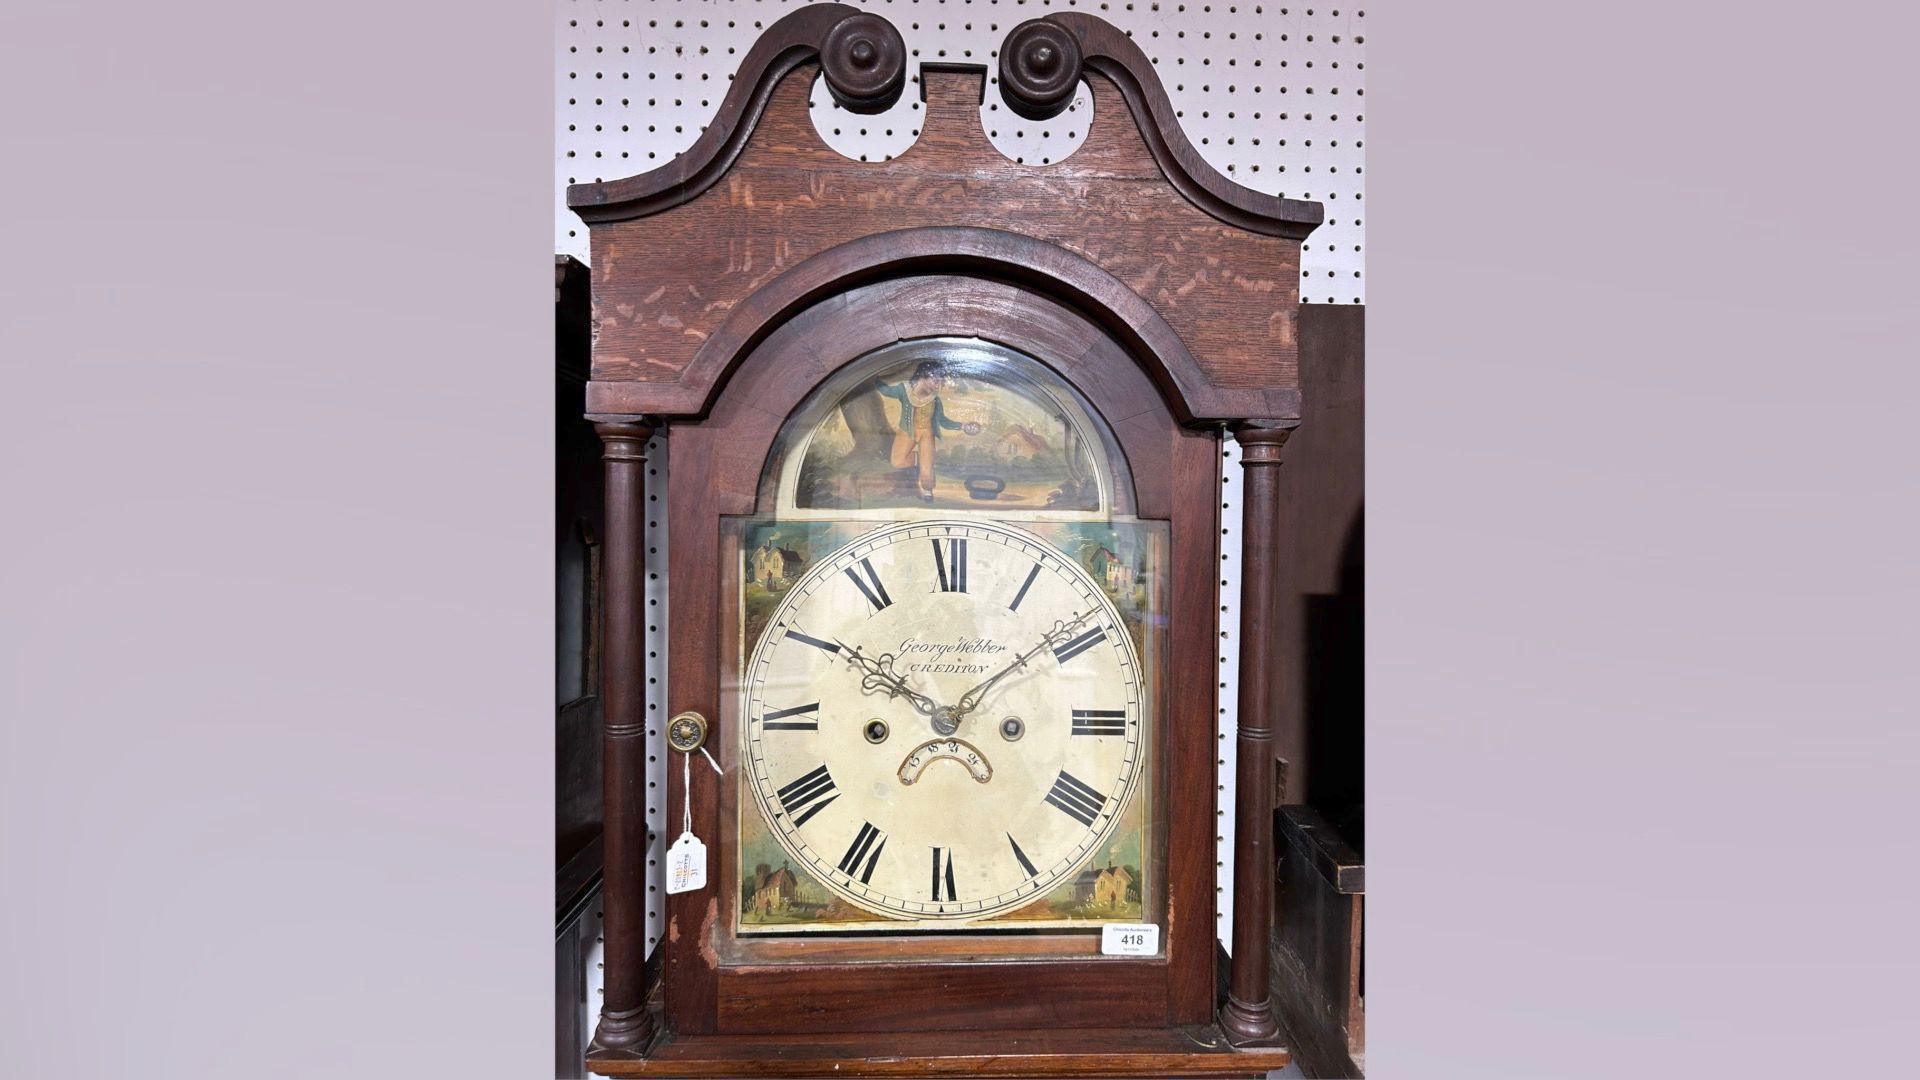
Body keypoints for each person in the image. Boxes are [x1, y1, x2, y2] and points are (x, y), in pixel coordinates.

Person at [876, 361, 981, 501]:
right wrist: (873, 380)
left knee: (927, 468)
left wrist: (963, 426)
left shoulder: (935, 400)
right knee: (897, 461)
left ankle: (927, 491)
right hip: (906, 431)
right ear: (923, 377)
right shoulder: (904, 390)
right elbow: (885, 391)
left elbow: (943, 421)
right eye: (935, 381)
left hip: (927, 434)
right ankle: (918, 459)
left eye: (940, 383)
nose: (938, 386)